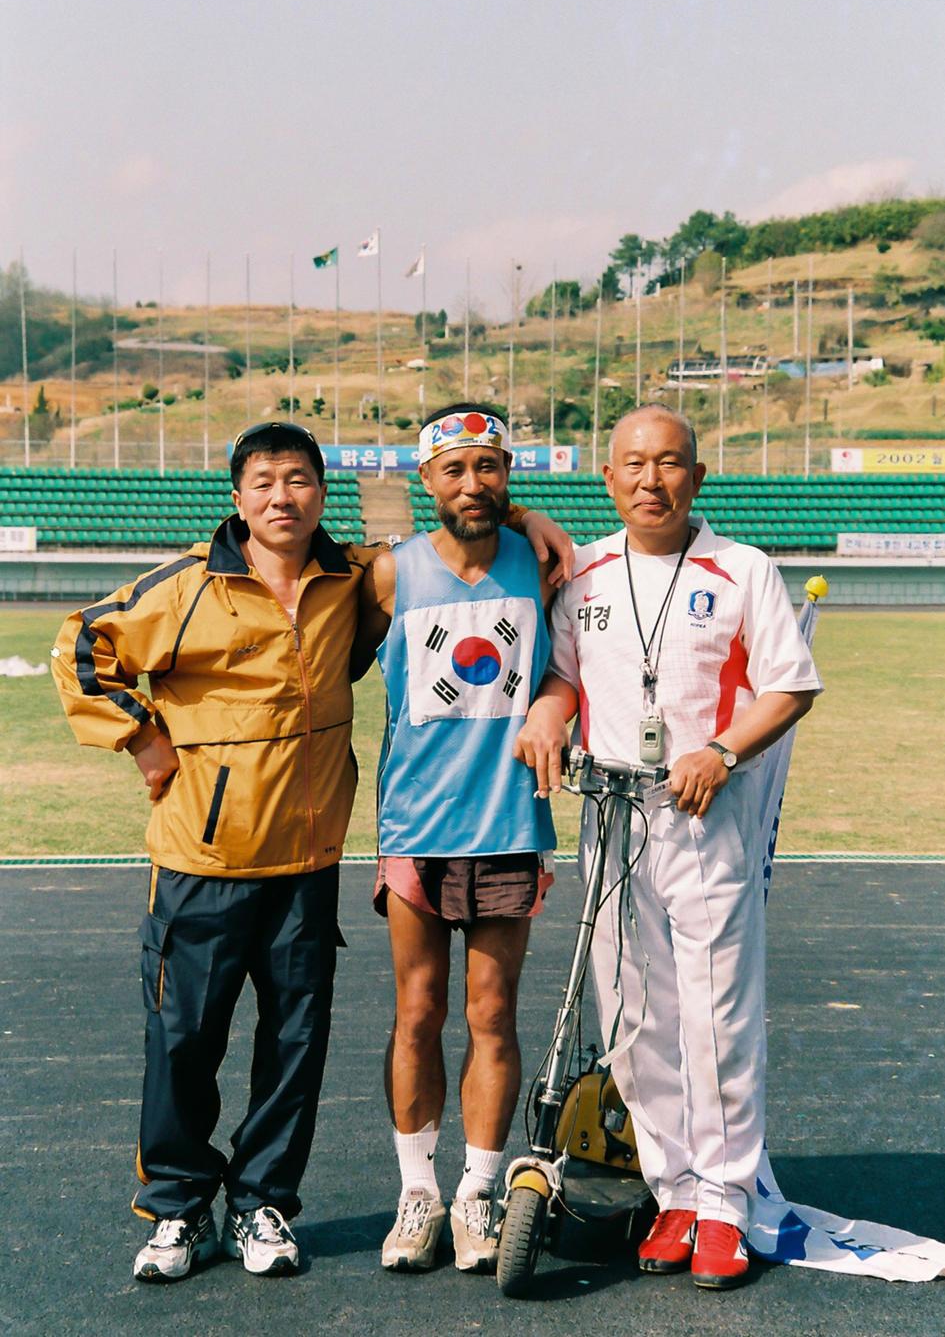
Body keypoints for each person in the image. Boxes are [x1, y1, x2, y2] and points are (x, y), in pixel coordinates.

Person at [51, 419, 570, 1284]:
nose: (280, 497)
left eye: (297, 480)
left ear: (323, 494)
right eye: (262, 482)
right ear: (236, 497)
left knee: (294, 1046)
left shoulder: (349, 577)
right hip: (203, 857)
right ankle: (179, 1207)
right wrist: (141, 736)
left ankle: (261, 1204)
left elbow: (468, 517)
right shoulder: (190, 585)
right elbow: (80, 644)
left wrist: (526, 515)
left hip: (306, 859)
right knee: (184, 1042)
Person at [514, 404, 822, 1290]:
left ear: (696, 476)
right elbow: (563, 676)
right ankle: (673, 1189)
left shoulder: (741, 568)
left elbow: (789, 686)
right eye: (634, 464)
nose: (651, 480)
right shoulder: (584, 573)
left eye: (670, 463)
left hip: (703, 816)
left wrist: (720, 752)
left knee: (717, 1014)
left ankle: (725, 1201)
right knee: (632, 1017)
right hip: (612, 819)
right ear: (608, 477)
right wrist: (547, 715)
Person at [358, 405, 558, 1275]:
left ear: (508, 474)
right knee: (417, 1012)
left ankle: (476, 1192)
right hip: (416, 826)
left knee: (492, 1015)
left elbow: (567, 666)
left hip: (509, 822)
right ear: (426, 481)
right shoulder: (388, 574)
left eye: (489, 467)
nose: (472, 483)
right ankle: (419, 1194)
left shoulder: (543, 562)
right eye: (454, 469)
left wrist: (553, 705)